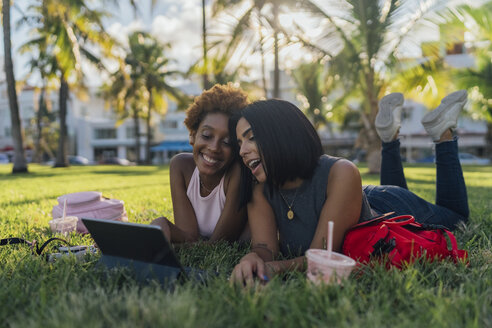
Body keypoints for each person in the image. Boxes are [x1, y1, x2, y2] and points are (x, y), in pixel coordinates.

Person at [230, 91, 469, 284]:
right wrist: (254, 259)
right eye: (240, 142)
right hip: (354, 200)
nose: (242, 151)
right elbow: (265, 248)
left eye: (251, 138)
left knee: (457, 217)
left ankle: (443, 135)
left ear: (281, 135)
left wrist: (276, 269)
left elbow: (321, 255)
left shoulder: (341, 171)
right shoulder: (260, 190)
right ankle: (389, 137)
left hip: (388, 205)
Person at [151, 83, 249, 243]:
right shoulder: (180, 166)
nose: (214, 147)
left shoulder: (236, 174)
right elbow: (188, 236)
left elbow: (218, 244)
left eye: (226, 142)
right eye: (207, 135)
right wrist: (164, 226)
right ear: (193, 135)